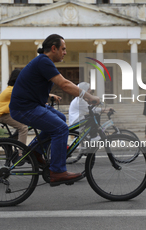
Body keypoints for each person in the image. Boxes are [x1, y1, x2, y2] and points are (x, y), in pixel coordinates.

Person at [9, 34, 100, 187]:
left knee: (59, 118)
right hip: (24, 108)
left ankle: (35, 152)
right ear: (53, 48)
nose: (65, 52)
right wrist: (88, 97)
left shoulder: (45, 62)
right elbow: (64, 84)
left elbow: (65, 82)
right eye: (63, 49)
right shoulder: (44, 61)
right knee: (61, 129)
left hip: (31, 105)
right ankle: (57, 171)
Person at [0, 69, 28, 146]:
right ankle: (21, 153)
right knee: (23, 128)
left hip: (6, 113)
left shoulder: (12, 88)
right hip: (2, 115)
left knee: (25, 122)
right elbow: (29, 96)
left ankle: (10, 143)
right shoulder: (13, 89)